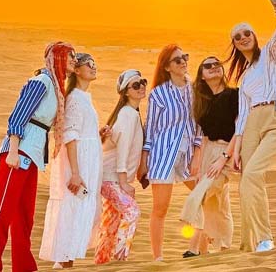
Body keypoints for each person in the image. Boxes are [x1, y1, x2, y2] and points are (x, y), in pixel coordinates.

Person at [0, 42, 77, 272]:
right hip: (19, 151)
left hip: (32, 155)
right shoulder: (40, 82)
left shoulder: (55, 85)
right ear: (58, 57)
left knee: (24, 215)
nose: (73, 59)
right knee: (0, 212)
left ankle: (24, 267)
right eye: (70, 55)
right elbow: (17, 117)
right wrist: (12, 151)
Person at [228, 0, 276, 252]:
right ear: (234, 44)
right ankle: (248, 244)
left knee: (254, 175)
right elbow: (242, 116)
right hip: (251, 125)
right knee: (246, 181)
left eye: (247, 33)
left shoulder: (269, 54)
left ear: (254, 36)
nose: (243, 37)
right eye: (237, 36)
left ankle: (265, 238)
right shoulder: (244, 78)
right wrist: (236, 149)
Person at [39, 53, 105, 268]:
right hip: (79, 164)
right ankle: (63, 259)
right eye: (89, 64)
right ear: (77, 70)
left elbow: (82, 131)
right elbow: (70, 135)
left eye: (95, 64)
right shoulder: (75, 98)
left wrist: (98, 135)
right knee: (73, 206)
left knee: (82, 208)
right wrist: (76, 173)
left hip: (88, 159)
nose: (94, 67)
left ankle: (67, 258)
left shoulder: (85, 97)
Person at [138, 44, 202, 261]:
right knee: (160, 209)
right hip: (163, 156)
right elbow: (151, 128)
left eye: (184, 56)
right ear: (167, 67)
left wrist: (198, 152)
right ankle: (158, 258)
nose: (183, 61)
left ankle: (198, 249)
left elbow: (199, 125)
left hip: (188, 158)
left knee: (204, 197)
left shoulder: (195, 89)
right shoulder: (158, 94)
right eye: (177, 60)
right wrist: (144, 161)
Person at [180, 56, 238, 256]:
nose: (213, 67)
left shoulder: (235, 96)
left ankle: (193, 248)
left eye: (217, 64)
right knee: (218, 203)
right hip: (206, 151)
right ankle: (221, 249)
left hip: (227, 151)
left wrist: (224, 157)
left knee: (203, 194)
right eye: (208, 66)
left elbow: (239, 131)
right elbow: (202, 135)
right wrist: (197, 160)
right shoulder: (201, 101)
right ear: (202, 75)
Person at [94, 69, 147, 264]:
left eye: (142, 82)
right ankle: (119, 260)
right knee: (132, 212)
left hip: (110, 177)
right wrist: (124, 182)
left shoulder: (131, 113)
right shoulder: (127, 114)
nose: (141, 87)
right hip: (112, 178)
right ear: (126, 92)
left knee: (111, 221)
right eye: (135, 85)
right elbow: (123, 150)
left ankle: (102, 262)